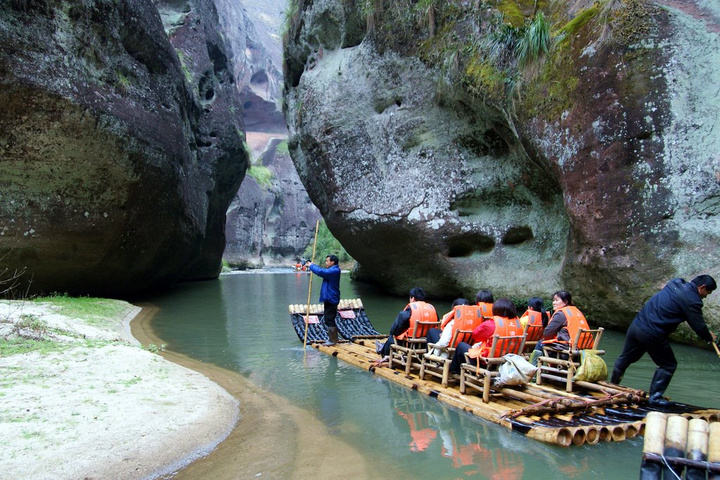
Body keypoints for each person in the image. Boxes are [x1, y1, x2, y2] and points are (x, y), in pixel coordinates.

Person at [610, 275, 718, 407]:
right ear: (702, 287)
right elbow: (699, 326)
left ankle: (612, 386)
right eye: (707, 292)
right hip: (652, 332)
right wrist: (708, 337)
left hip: (637, 325)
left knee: (626, 357)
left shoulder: (675, 283)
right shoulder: (692, 301)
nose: (706, 296)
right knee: (668, 365)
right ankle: (655, 398)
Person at [449, 298, 521, 374]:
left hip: (487, 363)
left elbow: (475, 335)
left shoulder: (491, 324)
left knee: (461, 346)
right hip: (507, 362)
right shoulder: (518, 325)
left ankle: (454, 371)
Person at [375, 287, 438, 361]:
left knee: (392, 337)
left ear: (413, 298)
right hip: (426, 344)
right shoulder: (432, 309)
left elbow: (394, 330)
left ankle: (384, 354)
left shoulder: (410, 310)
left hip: (410, 344)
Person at [530, 291, 589, 364]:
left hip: (567, 348)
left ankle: (532, 369)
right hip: (583, 348)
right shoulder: (576, 311)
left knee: (540, 343)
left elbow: (547, 333)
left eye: (556, 300)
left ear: (565, 301)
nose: (553, 303)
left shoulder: (561, 314)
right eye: (553, 300)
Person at [307, 254, 341, 346]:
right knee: (330, 318)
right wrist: (313, 266)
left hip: (331, 298)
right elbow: (322, 271)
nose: (326, 262)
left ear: (332, 262)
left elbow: (321, 272)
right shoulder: (332, 270)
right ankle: (334, 338)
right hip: (329, 297)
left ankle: (332, 340)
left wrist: (311, 266)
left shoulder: (334, 271)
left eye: (327, 261)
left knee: (329, 319)